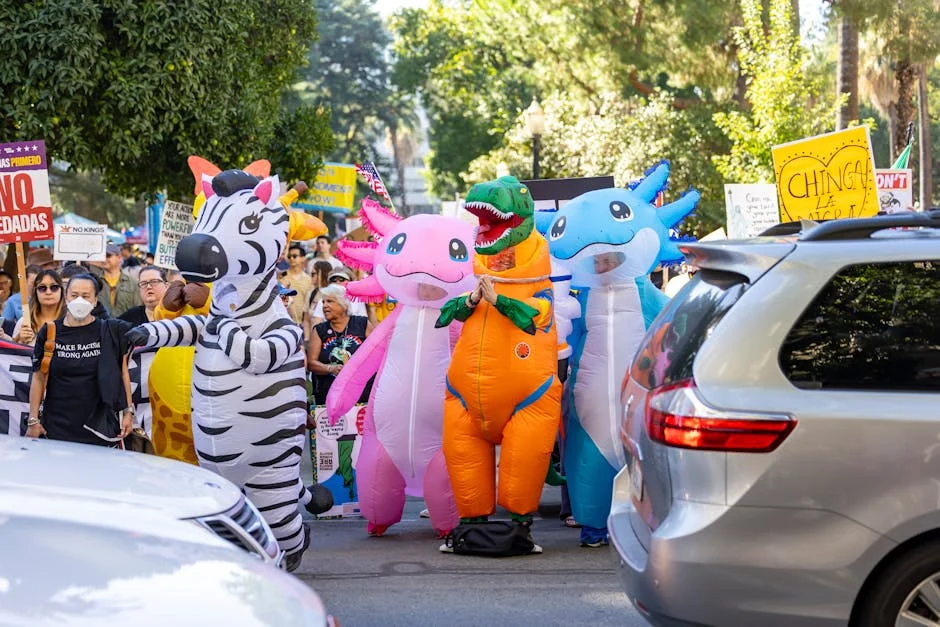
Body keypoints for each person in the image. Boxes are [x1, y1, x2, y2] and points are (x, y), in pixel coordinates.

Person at [26, 273, 135, 446]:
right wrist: (33, 420)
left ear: (95, 300)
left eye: (85, 296)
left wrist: (128, 412)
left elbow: (123, 373)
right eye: (74, 295)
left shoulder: (110, 330)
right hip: (57, 426)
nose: (79, 300)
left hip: (98, 426)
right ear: (66, 297)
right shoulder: (49, 332)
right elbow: (38, 377)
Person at [307, 284, 373, 406]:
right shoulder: (319, 330)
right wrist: (330, 368)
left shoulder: (361, 324)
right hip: (329, 395)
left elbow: (376, 353)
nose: (325, 306)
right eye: (323, 302)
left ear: (343, 304)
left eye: (330, 301)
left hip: (362, 393)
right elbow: (311, 363)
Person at [13, 270, 63, 346]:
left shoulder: (71, 321)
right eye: (42, 288)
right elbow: (11, 355)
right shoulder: (24, 323)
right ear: (35, 292)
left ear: (61, 290)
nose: (48, 292)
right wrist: (20, 340)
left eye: (54, 287)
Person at [98, 243, 142, 317]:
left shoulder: (133, 283)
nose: (104, 259)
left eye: (108, 255)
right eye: (102, 256)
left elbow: (138, 309)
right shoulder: (94, 282)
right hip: (102, 327)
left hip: (127, 327)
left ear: (119, 257)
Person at [281, 243, 313, 325]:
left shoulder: (309, 280)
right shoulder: (282, 277)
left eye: (294, 256)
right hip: (285, 321)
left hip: (304, 323)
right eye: (289, 256)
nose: (291, 258)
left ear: (302, 258)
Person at [303, 260, 333, 339]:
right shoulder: (311, 293)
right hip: (313, 338)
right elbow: (306, 319)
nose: (311, 277)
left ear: (322, 274)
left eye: (313, 274)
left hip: (329, 337)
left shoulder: (332, 294)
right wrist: (307, 339)